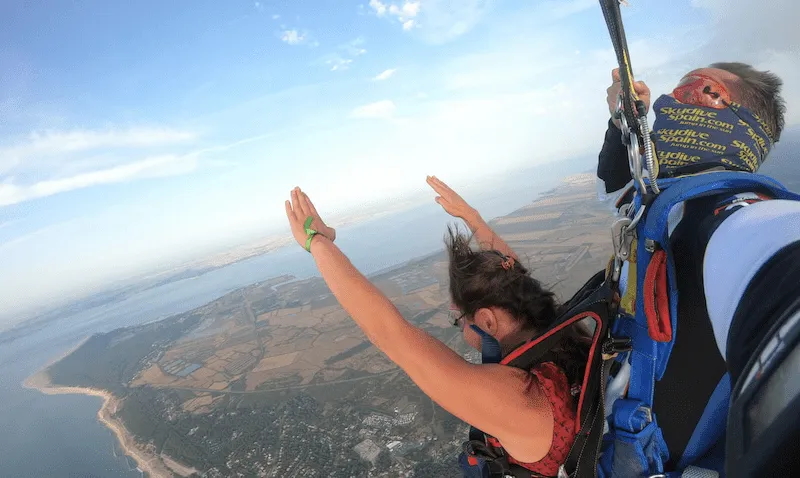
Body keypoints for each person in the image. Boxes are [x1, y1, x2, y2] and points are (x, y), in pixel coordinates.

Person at [284, 183, 590, 477]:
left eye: (460, 320)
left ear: (486, 322)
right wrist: (472, 218)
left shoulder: (519, 400)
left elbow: (391, 334)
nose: (460, 327)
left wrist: (317, 242)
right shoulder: (560, 326)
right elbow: (515, 276)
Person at [595, 62, 800, 474]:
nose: (668, 103)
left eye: (683, 87)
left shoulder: (735, 219)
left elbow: (777, 262)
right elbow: (615, 174)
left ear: (711, 96)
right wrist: (624, 119)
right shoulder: (675, 204)